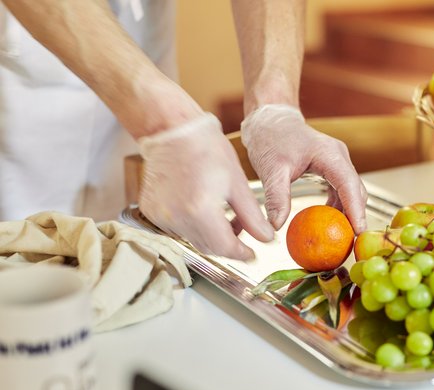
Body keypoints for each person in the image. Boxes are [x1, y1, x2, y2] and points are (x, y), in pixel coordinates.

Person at [0, 0, 368, 261]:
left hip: (143, 37)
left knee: (134, 259)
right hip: (24, 59)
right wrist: (164, 121)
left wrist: (275, 106)